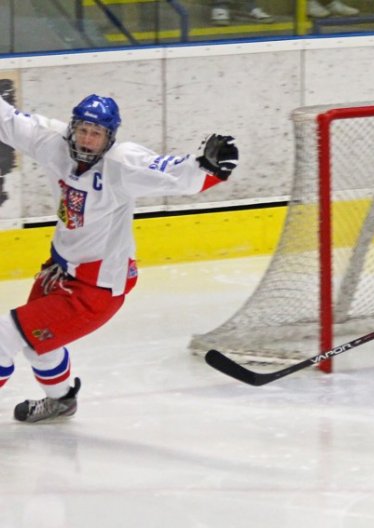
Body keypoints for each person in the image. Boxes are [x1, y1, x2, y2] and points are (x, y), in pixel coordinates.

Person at [0, 93, 238, 423]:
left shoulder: (122, 164)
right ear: (72, 128)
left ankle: (61, 398)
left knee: (4, 336)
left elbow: (174, 173)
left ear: (109, 138)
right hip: (59, 270)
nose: (86, 139)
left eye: (96, 134)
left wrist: (208, 167)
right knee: (38, 346)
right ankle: (62, 401)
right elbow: (10, 122)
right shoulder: (54, 142)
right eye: (83, 129)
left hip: (95, 290)